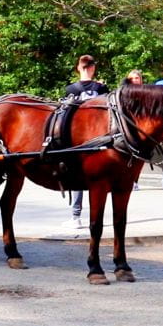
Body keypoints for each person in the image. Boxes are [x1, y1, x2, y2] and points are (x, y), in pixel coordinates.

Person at [63, 55, 110, 230]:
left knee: (76, 176)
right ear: (92, 68)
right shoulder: (102, 88)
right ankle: (98, 216)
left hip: (80, 140)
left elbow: (66, 118)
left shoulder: (71, 89)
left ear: (79, 68)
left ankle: (76, 216)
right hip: (101, 138)